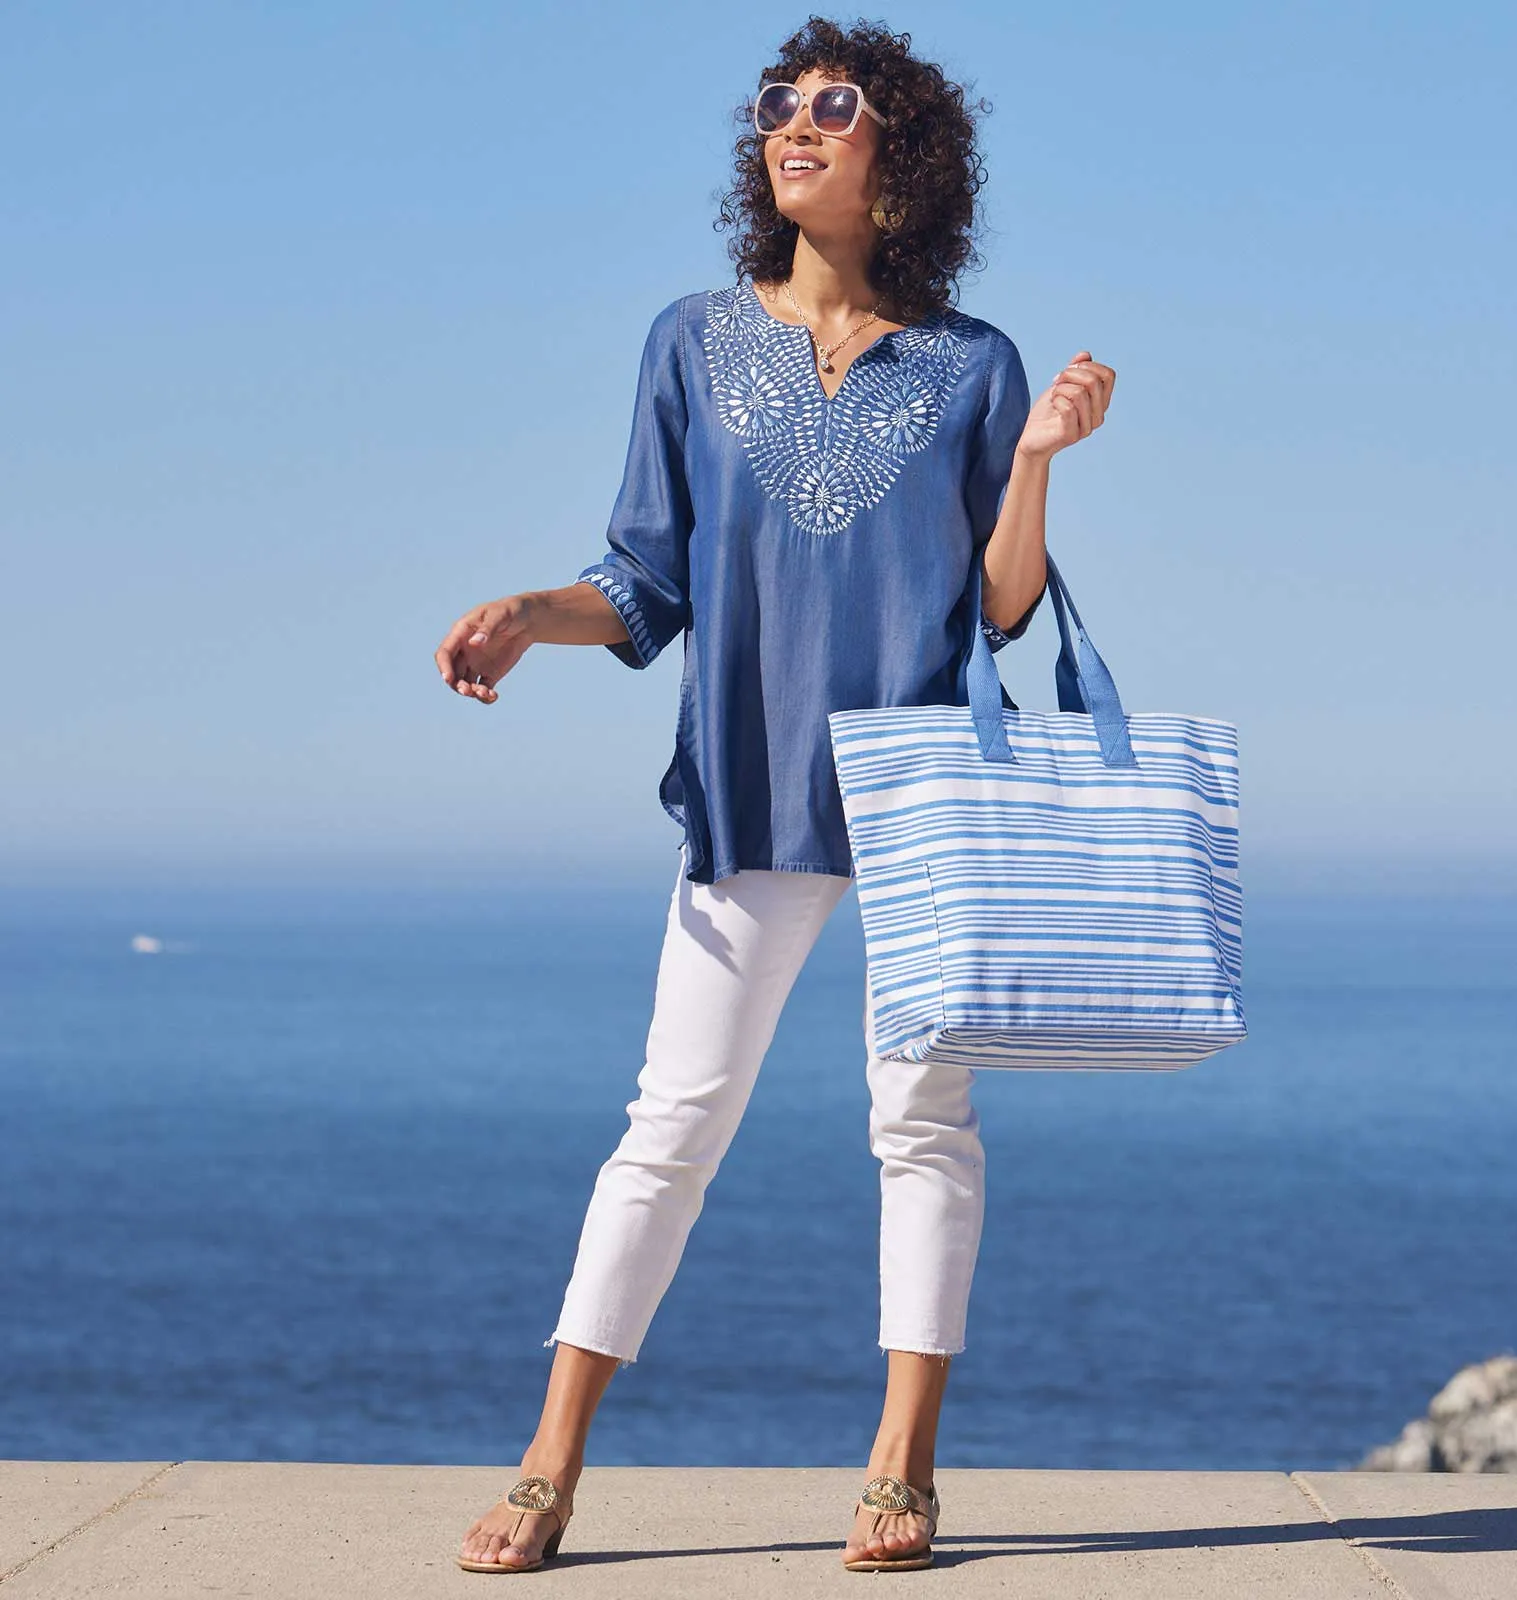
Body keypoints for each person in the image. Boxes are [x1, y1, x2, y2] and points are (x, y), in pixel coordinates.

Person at [438, 17, 1114, 1576]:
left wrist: (1039, 462)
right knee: (669, 1126)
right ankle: (550, 1464)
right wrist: (531, 620)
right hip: (750, 777)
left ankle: (902, 1468)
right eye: (775, 106)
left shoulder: (975, 365)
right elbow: (644, 576)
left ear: (905, 155)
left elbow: (1004, 614)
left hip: (929, 785)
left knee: (920, 1127)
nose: (792, 124)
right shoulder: (688, 339)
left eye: (833, 105)